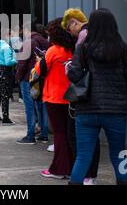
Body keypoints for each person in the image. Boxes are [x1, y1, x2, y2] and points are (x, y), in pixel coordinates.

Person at [67, 9, 127, 185]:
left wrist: (70, 66)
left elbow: (73, 75)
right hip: (115, 111)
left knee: (83, 156)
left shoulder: (83, 48)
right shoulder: (123, 48)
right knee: (120, 154)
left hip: (86, 110)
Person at [61, 8, 100, 185]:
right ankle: (90, 176)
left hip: (84, 95)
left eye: (69, 29)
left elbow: (77, 71)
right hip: (102, 94)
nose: (70, 33)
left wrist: (69, 66)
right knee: (95, 139)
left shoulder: (83, 36)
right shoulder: (103, 34)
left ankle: (85, 176)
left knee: (77, 137)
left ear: (74, 22)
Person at [36, 18, 74, 180]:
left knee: (59, 134)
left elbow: (39, 71)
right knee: (69, 135)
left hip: (54, 98)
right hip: (72, 97)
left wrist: (39, 60)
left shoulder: (53, 51)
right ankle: (71, 166)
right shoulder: (73, 50)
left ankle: (59, 169)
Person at [15, 22, 49, 145]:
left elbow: (22, 63)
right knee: (41, 106)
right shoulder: (46, 42)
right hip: (42, 77)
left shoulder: (28, 42)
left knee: (29, 107)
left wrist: (18, 77)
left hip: (28, 78)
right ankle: (44, 135)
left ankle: (30, 135)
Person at [0, 29, 17, 125]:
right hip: (5, 72)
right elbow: (8, 62)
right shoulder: (7, 47)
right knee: (5, 95)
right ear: (8, 35)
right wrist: (16, 60)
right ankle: (5, 117)